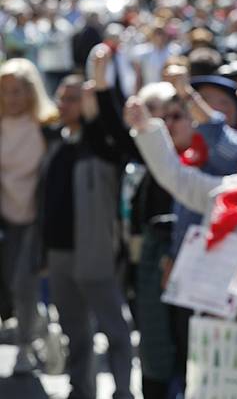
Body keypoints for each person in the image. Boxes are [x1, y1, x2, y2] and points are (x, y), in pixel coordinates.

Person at [39, 74, 134, 399]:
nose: (63, 105)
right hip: (59, 253)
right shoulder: (54, 143)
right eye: (61, 97)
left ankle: (123, 389)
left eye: (73, 98)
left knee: (115, 330)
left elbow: (116, 141)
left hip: (95, 253)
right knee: (74, 330)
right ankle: (81, 389)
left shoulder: (102, 148)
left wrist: (98, 106)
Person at [0, 58, 57, 373]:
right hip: (6, 219)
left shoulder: (46, 128)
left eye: (18, 91)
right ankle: (35, 323)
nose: (11, 98)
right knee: (9, 283)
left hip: (36, 219)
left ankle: (25, 344)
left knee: (24, 282)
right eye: (5, 91)